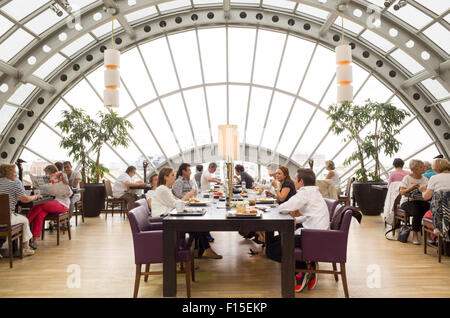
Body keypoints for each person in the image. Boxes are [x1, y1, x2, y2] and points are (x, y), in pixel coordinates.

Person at [266, 168, 329, 293]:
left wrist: (273, 209)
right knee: (273, 241)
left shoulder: (304, 192)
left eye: (296, 178)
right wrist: (298, 219)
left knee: (271, 250)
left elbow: (286, 207)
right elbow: (312, 215)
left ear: (301, 181)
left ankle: (301, 270)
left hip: (312, 236)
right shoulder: (314, 192)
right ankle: (308, 266)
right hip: (318, 233)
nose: (294, 180)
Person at [171, 164, 222, 259]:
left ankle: (203, 249)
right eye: (189, 170)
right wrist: (191, 194)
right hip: (184, 211)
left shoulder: (189, 181)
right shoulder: (178, 182)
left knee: (204, 220)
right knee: (199, 224)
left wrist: (194, 197)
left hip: (191, 207)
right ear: (183, 171)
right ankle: (206, 249)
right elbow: (179, 199)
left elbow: (194, 194)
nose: (191, 172)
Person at [27, 165, 72, 247]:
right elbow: (46, 192)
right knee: (40, 214)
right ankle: (35, 240)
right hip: (50, 204)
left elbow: (70, 194)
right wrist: (37, 187)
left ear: (53, 173)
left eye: (47, 174)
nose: (47, 176)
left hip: (62, 204)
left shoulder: (63, 179)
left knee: (41, 204)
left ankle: (26, 222)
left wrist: (66, 186)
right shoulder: (49, 182)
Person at [0, 164, 39, 256]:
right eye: (14, 172)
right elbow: (25, 199)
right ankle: (25, 248)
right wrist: (36, 196)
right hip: (5, 219)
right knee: (25, 220)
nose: (15, 174)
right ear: (8, 173)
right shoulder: (13, 184)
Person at [399, 159, 429, 245]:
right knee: (417, 211)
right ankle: (415, 234)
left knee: (429, 209)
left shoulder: (425, 179)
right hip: (407, 201)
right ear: (414, 169)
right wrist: (412, 188)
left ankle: (429, 234)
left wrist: (425, 190)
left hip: (421, 200)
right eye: (421, 167)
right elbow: (402, 192)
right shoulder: (407, 178)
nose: (424, 168)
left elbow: (427, 193)